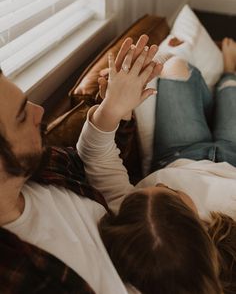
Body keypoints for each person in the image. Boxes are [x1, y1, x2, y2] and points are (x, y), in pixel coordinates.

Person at [78, 37, 236, 294]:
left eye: (149, 188)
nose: (161, 183)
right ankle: (229, 73)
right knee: (232, 94)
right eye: (172, 192)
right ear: (199, 227)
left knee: (176, 67)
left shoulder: (134, 224)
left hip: (179, 154)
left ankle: (212, 99)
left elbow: (97, 158)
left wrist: (112, 107)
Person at [0, 68, 141, 293]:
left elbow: (96, 165)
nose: (39, 111)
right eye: (21, 116)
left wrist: (114, 111)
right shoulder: (17, 276)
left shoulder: (41, 167)